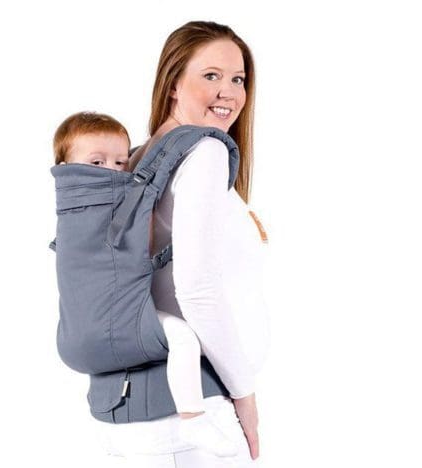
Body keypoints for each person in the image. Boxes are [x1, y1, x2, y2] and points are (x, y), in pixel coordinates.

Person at [94, 21, 271, 467]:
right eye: (210, 75)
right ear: (173, 83)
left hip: (135, 418)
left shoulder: (138, 159)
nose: (228, 92)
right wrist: (245, 396)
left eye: (238, 79)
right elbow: (195, 288)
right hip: (194, 416)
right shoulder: (205, 153)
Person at [52, 111, 243, 457]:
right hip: (115, 325)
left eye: (120, 162)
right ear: (66, 168)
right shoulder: (87, 213)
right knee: (184, 337)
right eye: (97, 161)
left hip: (92, 339)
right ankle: (193, 416)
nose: (112, 170)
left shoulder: (76, 212)